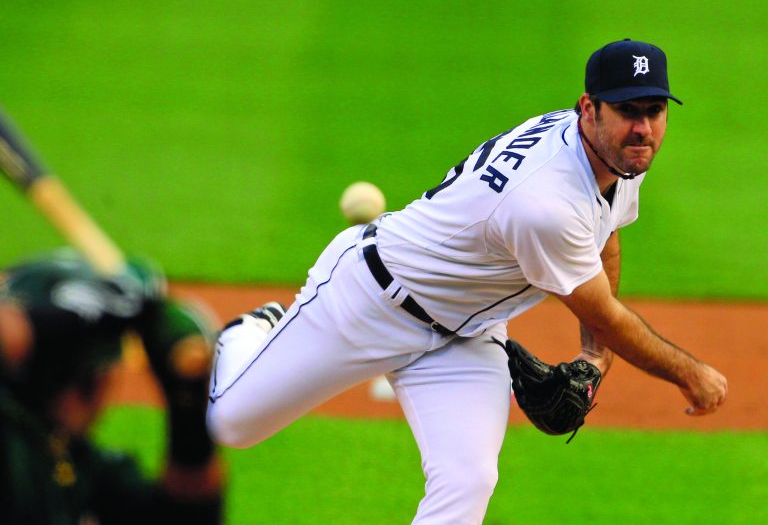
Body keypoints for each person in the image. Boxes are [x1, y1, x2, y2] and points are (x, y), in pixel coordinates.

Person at [206, 39, 728, 524]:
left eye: (653, 111)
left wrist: (593, 362)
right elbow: (603, 315)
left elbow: (605, 234)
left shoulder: (614, 156)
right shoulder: (544, 201)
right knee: (231, 424)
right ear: (588, 109)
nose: (643, 129)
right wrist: (691, 373)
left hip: (466, 333)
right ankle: (256, 328)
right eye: (627, 112)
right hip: (368, 301)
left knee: (468, 479)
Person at [0, 250, 226, 524]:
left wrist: (187, 411)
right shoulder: (14, 451)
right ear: (94, 380)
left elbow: (184, 517)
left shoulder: (72, 464)